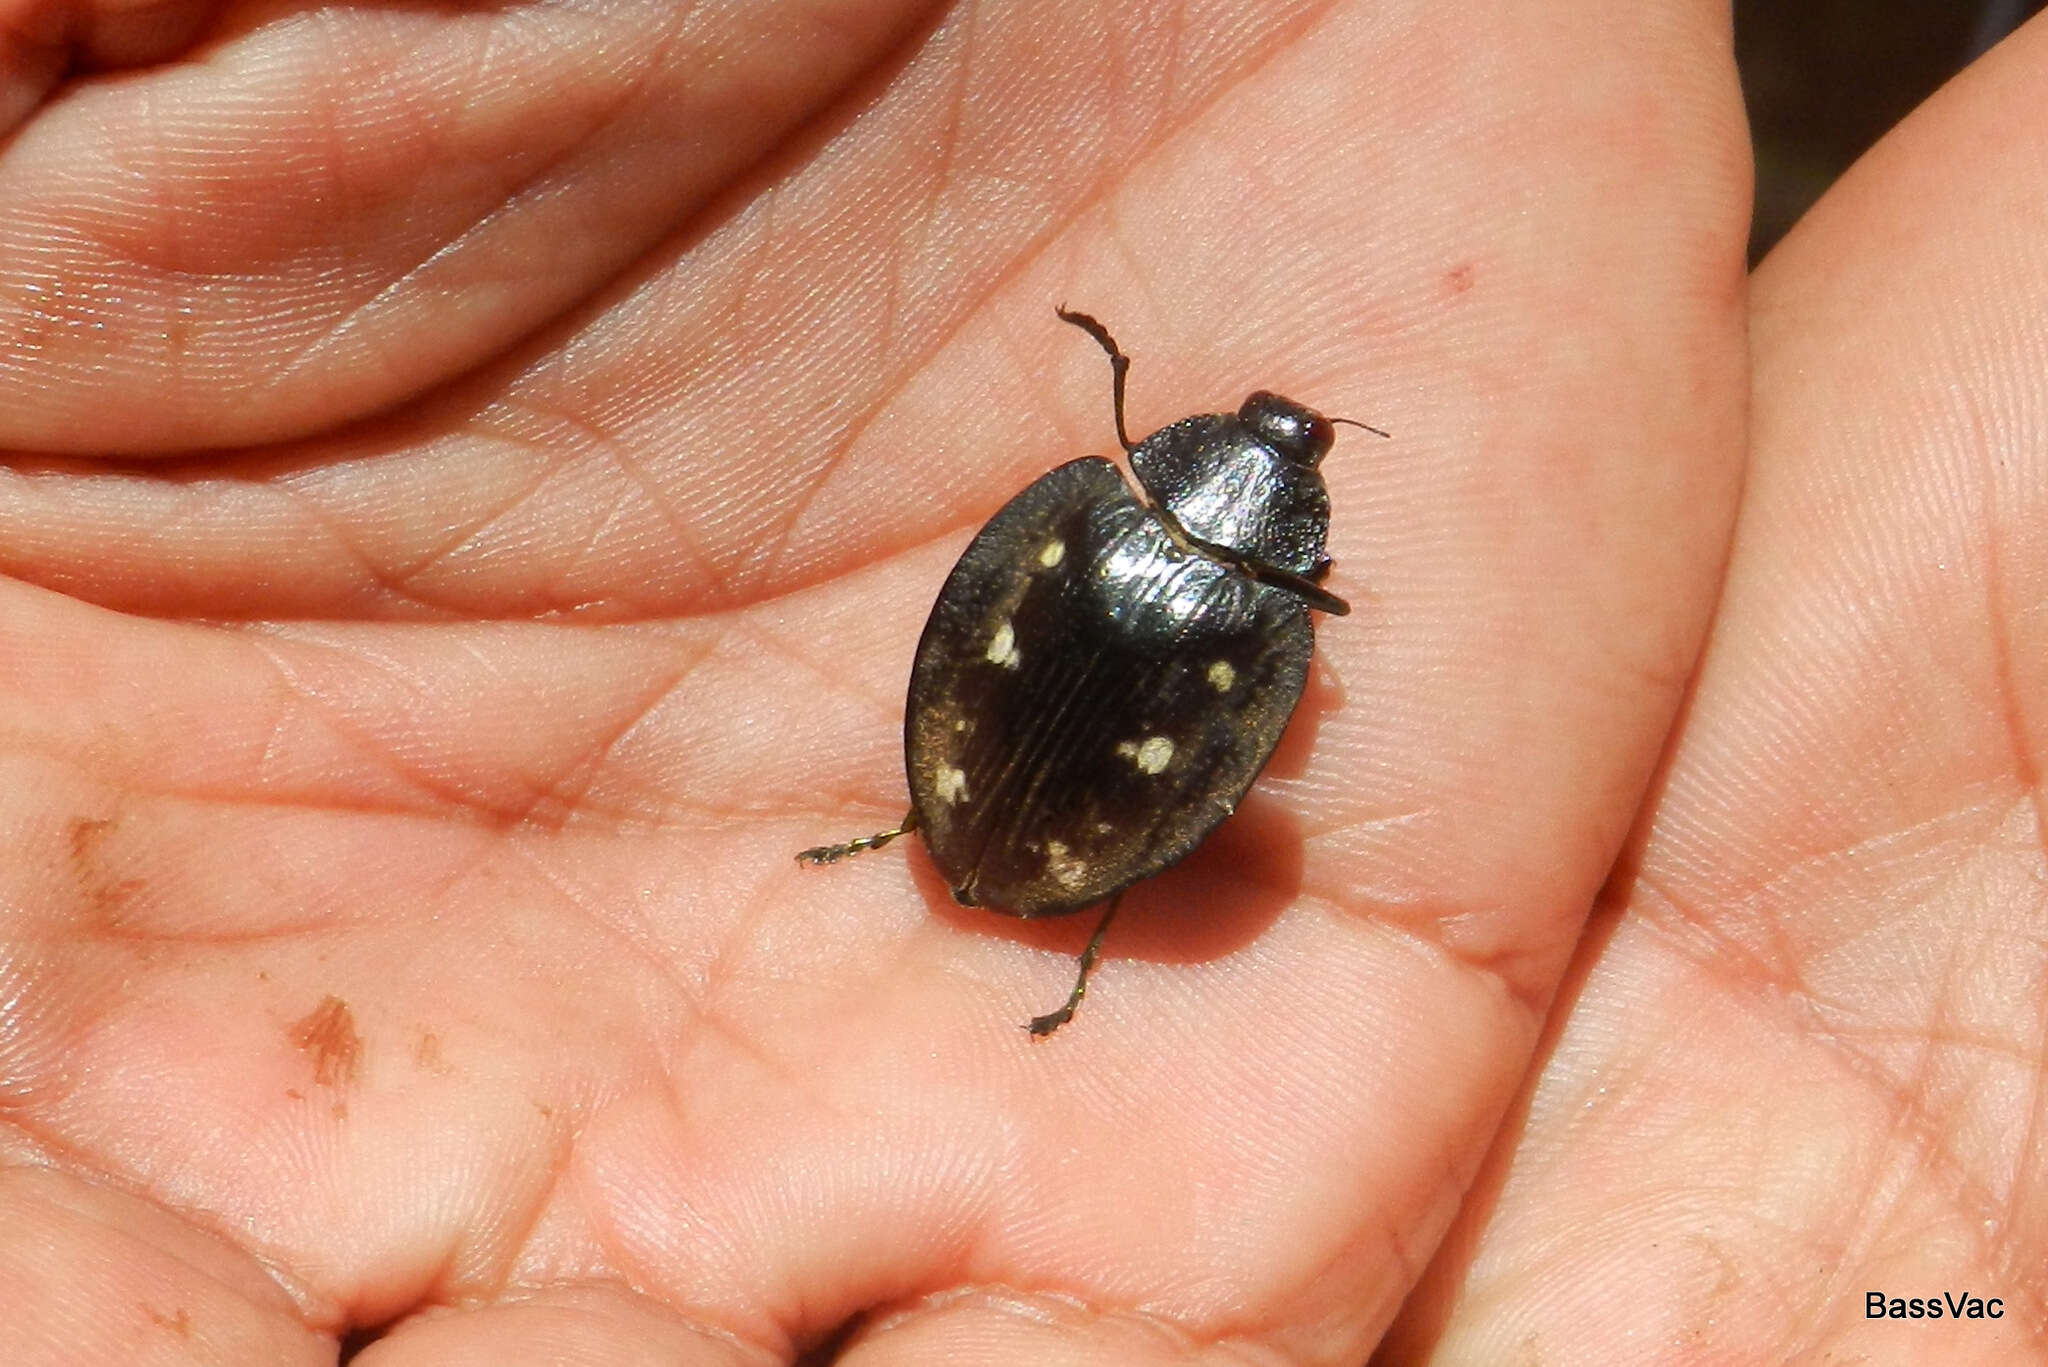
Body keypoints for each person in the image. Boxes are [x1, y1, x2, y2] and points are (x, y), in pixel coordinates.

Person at [0, 2, 2032, 1360]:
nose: (1291, 440)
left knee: (1084, 746)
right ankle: (987, 866)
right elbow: (1224, 751)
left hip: (1052, 764)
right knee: (1117, 765)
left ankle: (949, 838)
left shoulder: (1120, 496)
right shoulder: (1266, 613)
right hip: (1082, 790)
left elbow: (1126, 677)